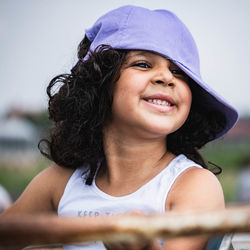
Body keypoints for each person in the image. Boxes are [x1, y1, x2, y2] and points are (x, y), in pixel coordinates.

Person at [2, 5, 238, 250]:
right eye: (144, 64)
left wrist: (145, 245)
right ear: (100, 82)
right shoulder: (59, 182)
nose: (167, 78)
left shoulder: (192, 185)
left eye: (179, 72)